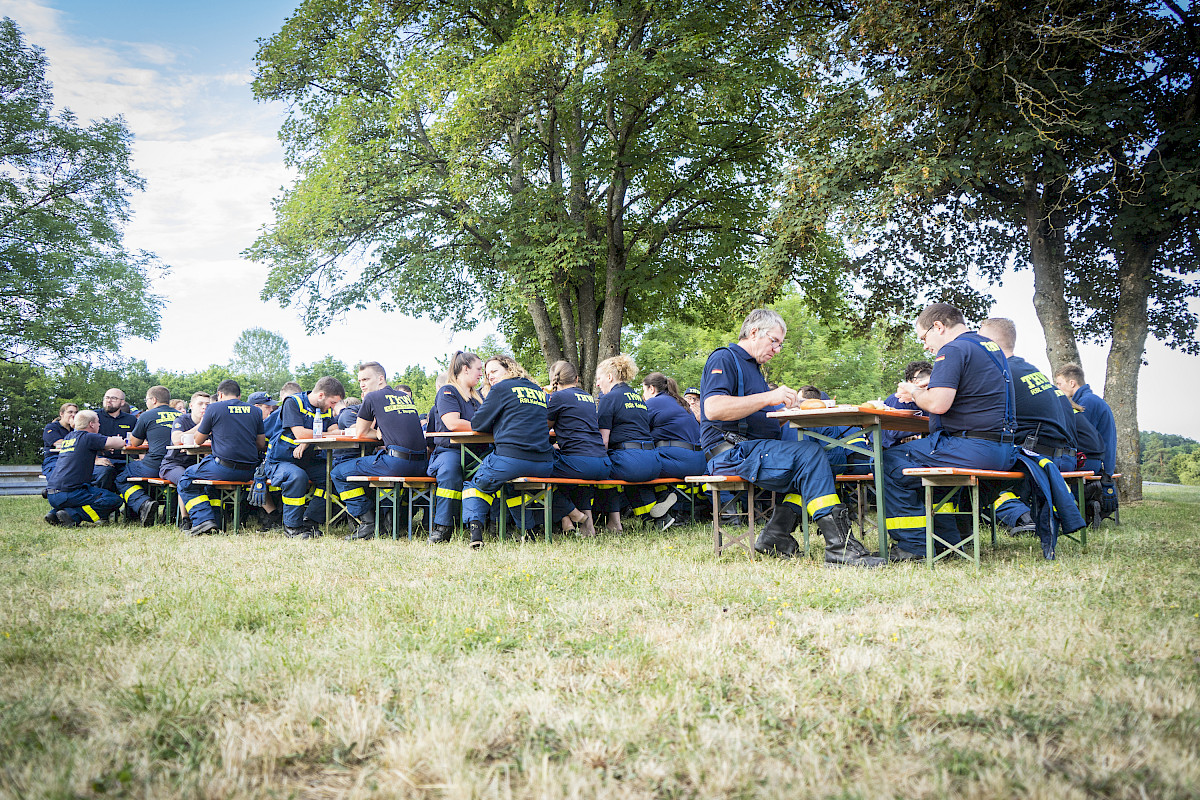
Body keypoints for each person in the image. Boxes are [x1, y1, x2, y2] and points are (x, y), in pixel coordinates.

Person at [701, 309, 883, 566]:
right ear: (754, 332)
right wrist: (769, 397)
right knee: (810, 454)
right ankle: (839, 548)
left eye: (780, 344)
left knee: (830, 458)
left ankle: (775, 535)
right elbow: (713, 408)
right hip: (731, 453)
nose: (777, 350)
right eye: (774, 341)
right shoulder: (724, 358)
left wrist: (788, 412)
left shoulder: (754, 368)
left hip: (754, 450)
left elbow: (758, 416)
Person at [879, 303, 1019, 560]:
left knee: (887, 461)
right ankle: (947, 543)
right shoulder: (990, 347)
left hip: (971, 448)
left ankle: (913, 546)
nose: (925, 346)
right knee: (929, 468)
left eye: (924, 337)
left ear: (939, 326)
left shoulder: (952, 349)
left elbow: (937, 405)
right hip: (1002, 449)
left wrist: (914, 391)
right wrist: (929, 387)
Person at [977, 318, 1077, 533]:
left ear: (990, 344)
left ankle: (1023, 517)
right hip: (1062, 458)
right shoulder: (1030, 370)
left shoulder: (1000, 373)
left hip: (1037, 458)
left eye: (979, 340)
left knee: (975, 467)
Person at [461, 355, 553, 549]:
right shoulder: (538, 390)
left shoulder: (501, 388)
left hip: (511, 460)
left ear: (509, 368)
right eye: (487, 375)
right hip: (544, 463)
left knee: (474, 484)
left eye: (494, 371)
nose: (490, 377)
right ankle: (528, 532)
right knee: (511, 487)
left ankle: (476, 533)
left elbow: (477, 423)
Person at [331, 362, 428, 540]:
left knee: (338, 472)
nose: (362, 384)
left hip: (397, 464)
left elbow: (361, 432)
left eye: (366, 379)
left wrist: (376, 433)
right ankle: (384, 519)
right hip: (422, 465)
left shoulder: (372, 397)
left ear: (381, 378)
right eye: (360, 381)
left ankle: (368, 523)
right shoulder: (404, 397)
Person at [176, 380, 267, 536]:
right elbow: (260, 444)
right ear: (239, 396)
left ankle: (203, 520)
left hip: (223, 469)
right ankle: (215, 520)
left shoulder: (214, 408)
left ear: (219, 394)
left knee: (186, 479)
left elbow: (198, 440)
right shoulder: (255, 411)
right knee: (206, 478)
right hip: (250, 471)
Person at [262, 377, 346, 538]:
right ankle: (292, 527)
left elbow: (334, 430)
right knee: (297, 476)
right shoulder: (293, 402)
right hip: (280, 461)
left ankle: (310, 521)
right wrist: (313, 437)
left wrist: (307, 442)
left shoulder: (325, 408)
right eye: (333, 402)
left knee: (335, 474)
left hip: (308, 461)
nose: (333, 407)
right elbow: (300, 433)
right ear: (321, 395)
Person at [595, 354, 666, 531]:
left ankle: (612, 522)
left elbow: (603, 442)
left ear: (609, 377)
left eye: (599, 379)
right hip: (653, 462)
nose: (597, 384)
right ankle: (655, 516)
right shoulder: (638, 398)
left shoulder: (609, 398)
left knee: (600, 468)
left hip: (630, 462)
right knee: (629, 474)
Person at [426, 352, 486, 544]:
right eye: (478, 369)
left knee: (496, 467)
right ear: (465, 369)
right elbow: (453, 423)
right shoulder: (448, 392)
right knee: (450, 471)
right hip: (450, 451)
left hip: (478, 451)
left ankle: (496, 524)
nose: (481, 374)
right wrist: (485, 426)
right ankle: (443, 528)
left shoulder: (478, 397)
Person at [546, 360, 610, 536]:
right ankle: (584, 525)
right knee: (576, 478)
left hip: (581, 463)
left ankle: (570, 515)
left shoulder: (558, 397)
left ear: (553, 380)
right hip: (603, 463)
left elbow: (543, 426)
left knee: (538, 468)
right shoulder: (588, 397)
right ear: (576, 378)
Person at [44, 410, 127, 527]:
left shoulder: (69, 437)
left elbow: (83, 448)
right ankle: (73, 515)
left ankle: (54, 513)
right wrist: (119, 440)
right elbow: (119, 443)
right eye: (98, 422)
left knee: (87, 490)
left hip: (52, 493)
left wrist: (102, 448)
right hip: (70, 493)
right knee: (114, 500)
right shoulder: (89, 437)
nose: (99, 425)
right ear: (91, 424)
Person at [642, 371, 704, 524]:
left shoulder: (653, 403)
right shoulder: (680, 402)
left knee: (637, 467)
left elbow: (638, 430)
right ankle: (666, 500)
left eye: (644, 390)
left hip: (680, 461)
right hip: (700, 461)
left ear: (651, 389)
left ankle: (657, 509)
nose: (643, 395)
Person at [114, 385, 181, 526]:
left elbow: (135, 442)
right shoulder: (181, 416)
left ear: (154, 400)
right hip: (178, 465)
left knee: (121, 477)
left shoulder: (147, 415)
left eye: (147, 400)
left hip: (154, 465)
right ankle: (170, 513)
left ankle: (143, 503)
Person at [159, 391, 211, 529]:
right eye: (200, 404)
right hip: (173, 464)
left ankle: (214, 517)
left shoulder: (213, 421)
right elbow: (177, 439)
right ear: (191, 406)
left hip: (199, 464)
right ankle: (185, 520)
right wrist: (201, 426)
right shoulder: (181, 420)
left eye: (207, 404)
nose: (204, 407)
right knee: (185, 480)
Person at [94, 388, 137, 493]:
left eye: (113, 398)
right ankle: (102, 501)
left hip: (125, 460)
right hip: (100, 460)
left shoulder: (131, 420)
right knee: (105, 472)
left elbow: (139, 441)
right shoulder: (93, 416)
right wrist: (95, 459)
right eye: (107, 398)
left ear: (122, 402)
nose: (109, 401)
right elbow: (82, 440)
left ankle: (136, 503)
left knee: (138, 472)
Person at [41, 402, 78, 477]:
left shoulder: (76, 429)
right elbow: (59, 443)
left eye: (76, 412)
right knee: (58, 475)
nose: (73, 415)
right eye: (70, 412)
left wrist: (76, 429)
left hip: (73, 459)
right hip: (55, 459)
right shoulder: (52, 427)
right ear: (61, 414)